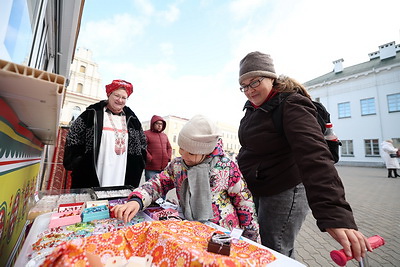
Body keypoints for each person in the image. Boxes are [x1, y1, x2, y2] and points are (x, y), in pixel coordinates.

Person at [235, 51, 372, 260]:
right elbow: (250, 150)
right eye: (244, 86)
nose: (249, 91)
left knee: (275, 249)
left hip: (284, 189)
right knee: (260, 244)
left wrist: (334, 214)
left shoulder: (291, 104)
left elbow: (314, 154)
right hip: (260, 187)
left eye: (254, 82)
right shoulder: (254, 110)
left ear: (270, 77)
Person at [112, 115, 260, 242]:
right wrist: (137, 200)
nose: (183, 155)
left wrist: (252, 239)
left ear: (205, 151)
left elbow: (244, 203)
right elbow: (157, 184)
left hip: (223, 234)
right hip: (189, 230)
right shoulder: (178, 165)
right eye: (181, 148)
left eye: (190, 152)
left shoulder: (226, 167)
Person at [63, 79, 147, 189]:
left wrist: (139, 163)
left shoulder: (133, 119)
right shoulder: (92, 113)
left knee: (119, 201)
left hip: (122, 171)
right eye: (117, 95)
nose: (120, 100)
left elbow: (142, 142)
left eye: (124, 98)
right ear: (109, 95)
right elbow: (74, 135)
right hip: (96, 169)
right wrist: (78, 161)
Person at [144, 115, 172, 181]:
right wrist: (149, 158)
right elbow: (142, 147)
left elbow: (169, 148)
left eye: (161, 124)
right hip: (151, 168)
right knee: (150, 188)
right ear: (153, 124)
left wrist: (168, 157)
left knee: (162, 188)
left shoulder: (164, 136)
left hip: (163, 169)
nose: (159, 125)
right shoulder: (146, 134)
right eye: (157, 123)